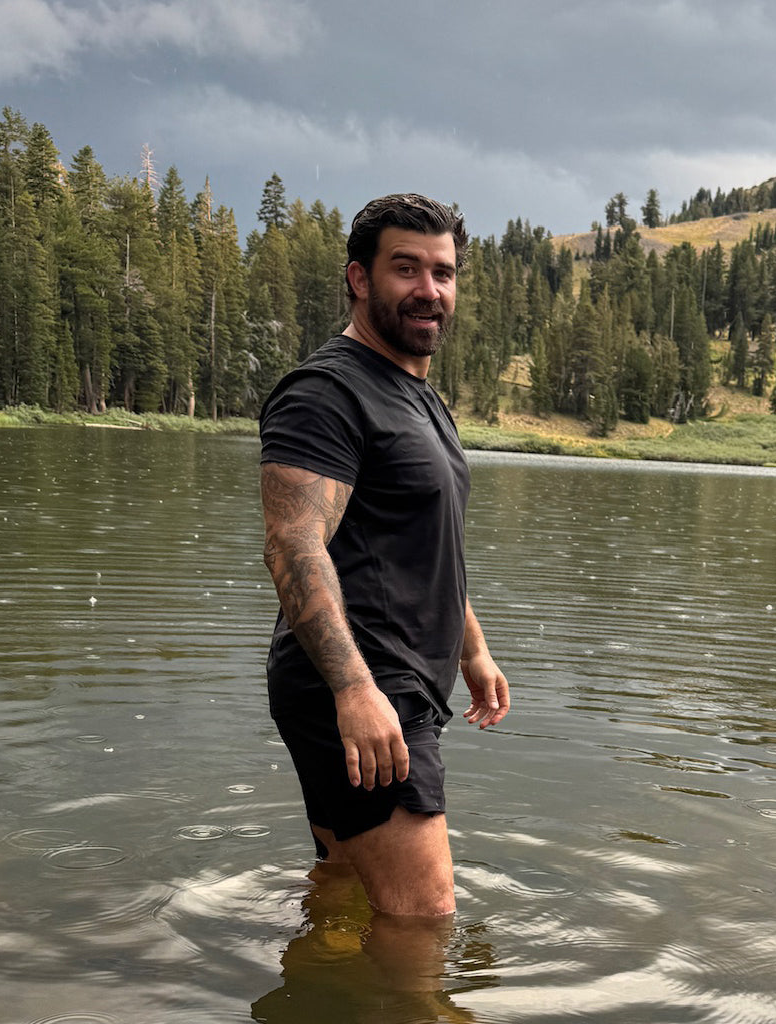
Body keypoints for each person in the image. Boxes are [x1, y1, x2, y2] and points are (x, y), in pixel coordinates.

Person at [258, 193, 509, 920]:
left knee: (344, 888)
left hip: (384, 682)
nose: (430, 290)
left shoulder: (415, 392)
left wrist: (473, 653)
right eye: (407, 268)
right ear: (360, 279)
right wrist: (354, 691)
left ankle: (319, 986)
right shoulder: (328, 393)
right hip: (369, 686)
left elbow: (423, 544)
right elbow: (293, 543)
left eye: (444, 272)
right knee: (424, 918)